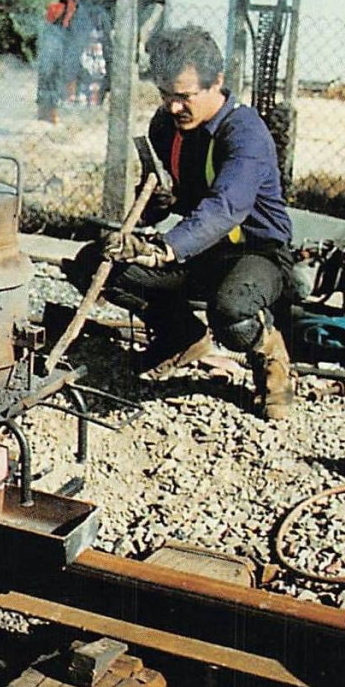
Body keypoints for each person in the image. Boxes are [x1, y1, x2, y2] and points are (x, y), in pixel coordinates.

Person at [63, 25, 297, 420]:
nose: (173, 107)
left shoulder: (246, 134)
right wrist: (152, 211)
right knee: (96, 265)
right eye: (165, 95)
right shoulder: (166, 126)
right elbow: (160, 197)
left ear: (217, 83)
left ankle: (272, 363)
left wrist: (164, 249)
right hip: (201, 250)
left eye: (184, 96)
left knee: (232, 312)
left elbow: (226, 207)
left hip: (255, 254)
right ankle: (181, 336)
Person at [36, 0, 75, 123]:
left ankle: (42, 114)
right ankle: (52, 116)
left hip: (49, 49)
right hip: (60, 50)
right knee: (56, 82)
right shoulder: (71, 8)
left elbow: (46, 28)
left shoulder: (53, 8)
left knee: (45, 80)